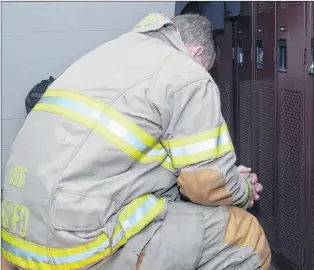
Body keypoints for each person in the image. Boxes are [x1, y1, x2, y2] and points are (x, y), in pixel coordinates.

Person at [1, 13, 270, 270]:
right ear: (197, 53)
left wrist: (222, 176)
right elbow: (207, 184)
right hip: (72, 243)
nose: (206, 75)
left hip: (16, 232)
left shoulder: (112, 53)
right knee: (244, 234)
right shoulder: (185, 72)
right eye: (207, 69)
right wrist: (241, 188)